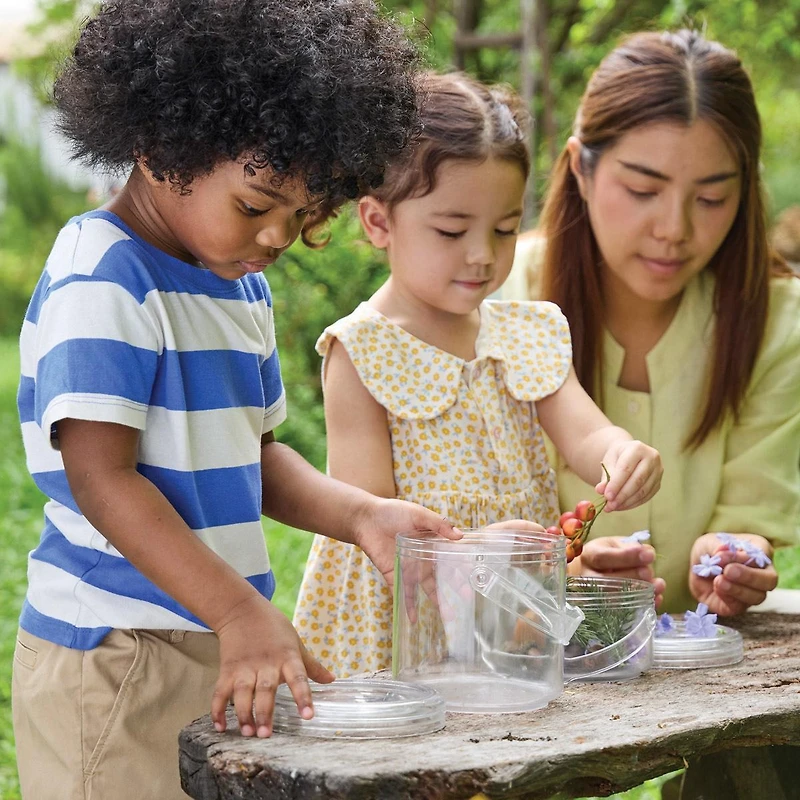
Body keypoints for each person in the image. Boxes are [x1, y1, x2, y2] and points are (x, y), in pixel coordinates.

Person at [11, 2, 464, 798]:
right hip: (119, 653)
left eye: (303, 214)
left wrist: (360, 515)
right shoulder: (103, 275)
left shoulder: (238, 284)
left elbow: (253, 456)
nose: (278, 237)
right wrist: (238, 613)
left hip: (219, 633)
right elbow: (103, 480)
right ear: (162, 149)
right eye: (256, 205)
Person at [292, 71, 663, 678]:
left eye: (505, 229)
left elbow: (587, 435)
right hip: (406, 622)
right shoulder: (361, 351)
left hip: (507, 615)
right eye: (451, 230)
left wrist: (622, 455)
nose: (482, 254)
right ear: (379, 222)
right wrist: (469, 552)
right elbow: (366, 519)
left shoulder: (528, 333)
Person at [517, 29, 800, 616]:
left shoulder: (777, 320)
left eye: (711, 199)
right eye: (643, 189)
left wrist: (732, 556)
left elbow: (750, 511)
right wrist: (569, 574)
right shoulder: (498, 301)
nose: (674, 229)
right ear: (581, 170)